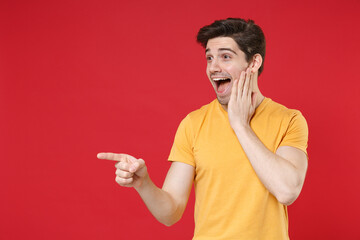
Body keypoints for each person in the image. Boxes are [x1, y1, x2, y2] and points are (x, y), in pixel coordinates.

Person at [98, 18, 308, 240]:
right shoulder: (194, 123)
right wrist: (144, 184)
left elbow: (287, 191)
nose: (214, 67)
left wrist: (240, 125)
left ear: (254, 62)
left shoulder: (289, 120)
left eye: (225, 56)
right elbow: (171, 212)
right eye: (209, 58)